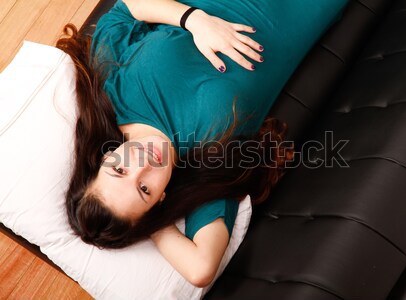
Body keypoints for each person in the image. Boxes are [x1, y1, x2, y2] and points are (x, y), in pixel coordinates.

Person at [57, 0, 347, 288]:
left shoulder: (112, 91)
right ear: (159, 200)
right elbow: (201, 269)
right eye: (144, 189)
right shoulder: (206, 164)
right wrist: (151, 225)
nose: (144, 163)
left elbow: (125, 8)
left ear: (105, 157)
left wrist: (193, 19)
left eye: (119, 170)